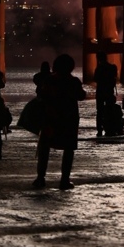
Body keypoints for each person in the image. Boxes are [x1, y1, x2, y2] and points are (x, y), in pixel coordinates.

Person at [34, 52, 87, 189]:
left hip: (51, 117)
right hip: (69, 118)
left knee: (45, 147)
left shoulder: (49, 80)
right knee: (68, 149)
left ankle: (40, 178)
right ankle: (64, 180)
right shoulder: (73, 81)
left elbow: (41, 95)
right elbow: (81, 96)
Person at [94, 52, 118, 138]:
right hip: (109, 91)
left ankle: (99, 130)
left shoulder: (99, 68)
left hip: (100, 92)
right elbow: (115, 78)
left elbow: (95, 78)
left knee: (99, 111)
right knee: (110, 110)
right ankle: (110, 129)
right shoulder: (112, 67)